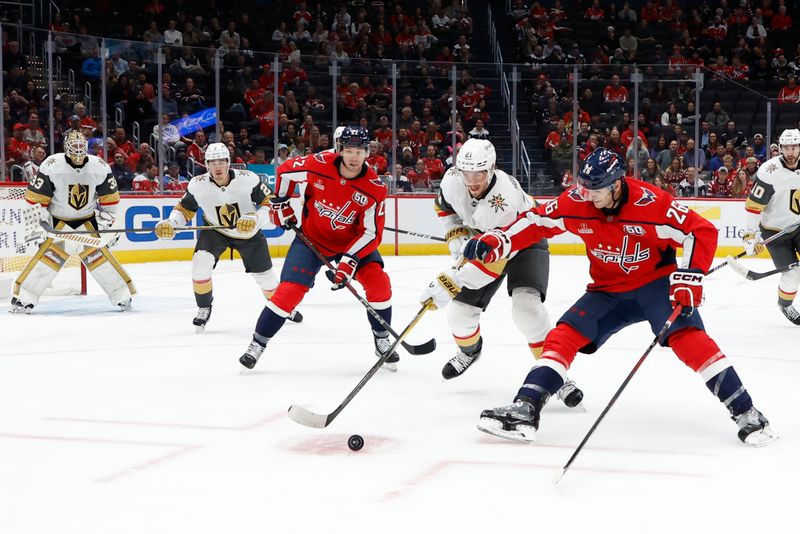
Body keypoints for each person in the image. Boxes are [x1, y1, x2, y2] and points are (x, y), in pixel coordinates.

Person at [465, 148, 776, 446]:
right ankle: (526, 409)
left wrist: (691, 274)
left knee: (690, 340)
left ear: (616, 185)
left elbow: (699, 230)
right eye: (584, 188)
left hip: (655, 286)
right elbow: (536, 221)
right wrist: (500, 239)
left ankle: (747, 412)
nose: (587, 196)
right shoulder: (579, 201)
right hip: (607, 290)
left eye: (596, 190)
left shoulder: (652, 204)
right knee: (564, 335)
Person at [418, 139, 583, 406]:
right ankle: (470, 351)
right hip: (485, 241)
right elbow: (444, 207)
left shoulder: (503, 199)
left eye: (479, 174)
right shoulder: (452, 180)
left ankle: (555, 374)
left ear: (492, 169)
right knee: (459, 316)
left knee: (527, 311)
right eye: (466, 173)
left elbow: (493, 262)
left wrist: (453, 281)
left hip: (525, 242)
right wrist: (455, 233)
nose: (471, 181)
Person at [239, 126, 398, 370]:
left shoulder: (374, 188)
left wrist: (349, 260)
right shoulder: (318, 163)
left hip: (351, 243)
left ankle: (381, 338)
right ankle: (258, 344)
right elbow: (285, 171)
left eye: (360, 151)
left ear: (368, 153)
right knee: (289, 292)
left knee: (379, 285)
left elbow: (371, 234)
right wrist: (280, 203)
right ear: (340, 150)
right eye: (349, 150)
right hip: (312, 240)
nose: (354, 156)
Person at [154, 142, 302, 330]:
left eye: (222, 161)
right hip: (215, 230)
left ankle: (283, 307)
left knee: (266, 278)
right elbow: (184, 208)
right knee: (200, 262)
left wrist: (255, 218)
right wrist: (172, 223)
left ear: (229, 162)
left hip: (249, 233)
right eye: (212, 162)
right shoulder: (197, 185)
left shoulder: (248, 178)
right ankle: (204, 307)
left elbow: (270, 202)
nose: (217, 166)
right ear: (206, 164)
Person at [11, 131, 136, 313]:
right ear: (66, 147)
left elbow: (110, 201)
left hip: (87, 225)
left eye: (81, 146)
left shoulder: (99, 166)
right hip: (59, 226)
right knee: (47, 262)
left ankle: (122, 297)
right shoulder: (52, 164)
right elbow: (35, 200)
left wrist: (107, 225)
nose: (78, 150)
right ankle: (24, 298)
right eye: (74, 146)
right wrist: (39, 226)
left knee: (100, 261)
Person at [743, 128, 800, 325]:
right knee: (792, 274)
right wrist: (750, 235)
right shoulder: (769, 171)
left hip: (798, 225)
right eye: (786, 147)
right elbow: (753, 206)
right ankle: (785, 304)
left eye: (794, 147)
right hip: (775, 232)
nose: (790, 152)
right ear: (780, 148)